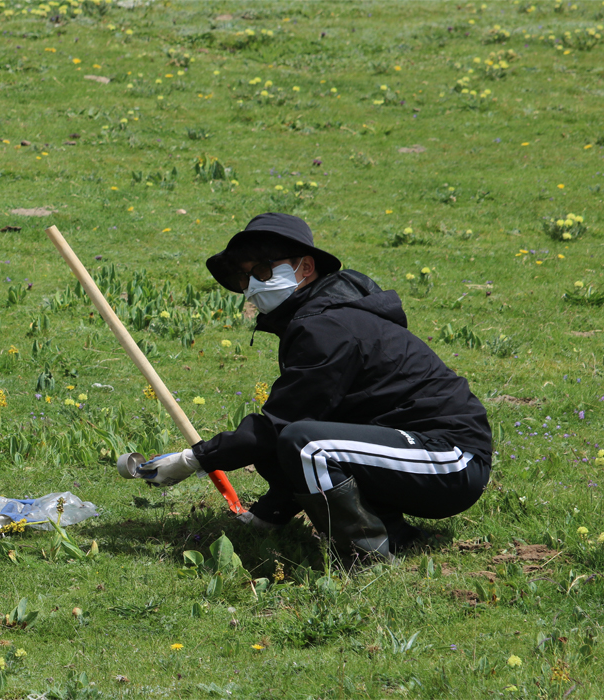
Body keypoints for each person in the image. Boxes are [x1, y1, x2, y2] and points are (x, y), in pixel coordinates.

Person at [137, 213, 492, 559]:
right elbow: (288, 425)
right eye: (244, 277)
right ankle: (378, 527)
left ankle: (372, 550)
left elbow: (280, 426)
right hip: (413, 453)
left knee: (304, 443)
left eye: (262, 271)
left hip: (450, 459)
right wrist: (268, 514)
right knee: (293, 437)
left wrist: (193, 460)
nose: (252, 286)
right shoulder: (316, 317)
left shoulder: (328, 326)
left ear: (305, 267)